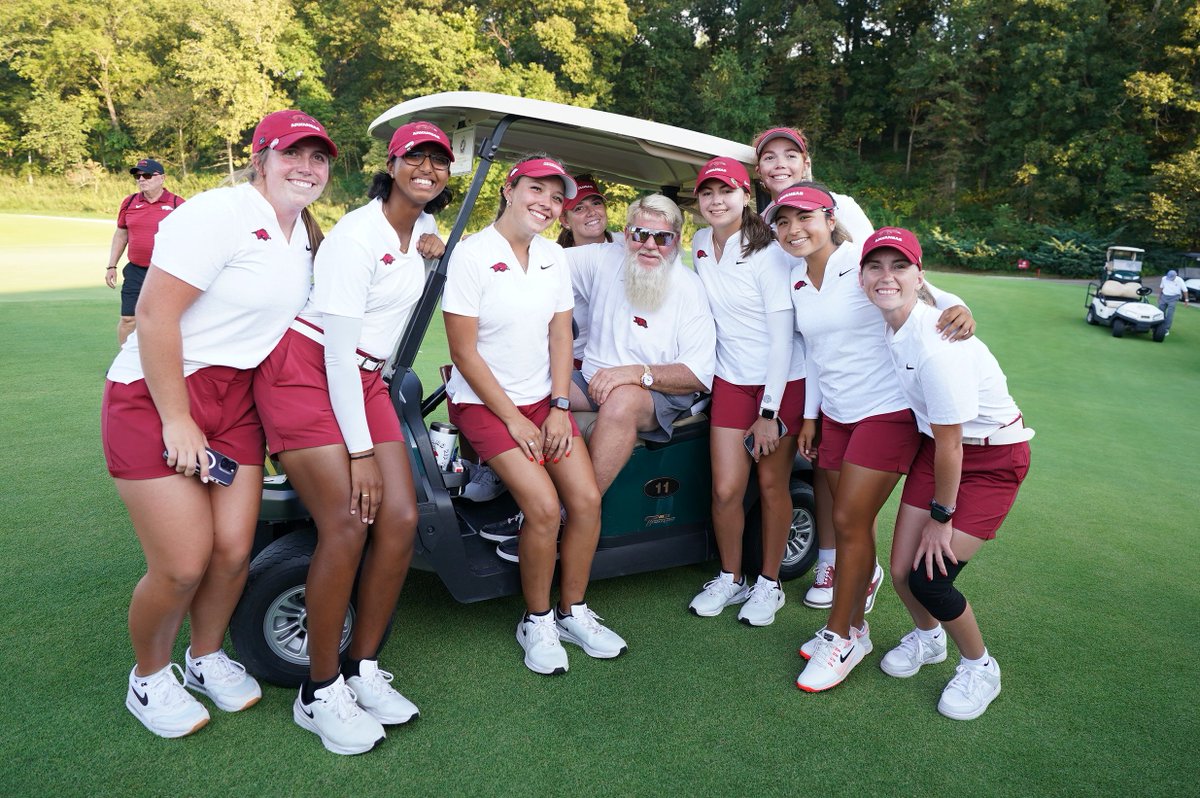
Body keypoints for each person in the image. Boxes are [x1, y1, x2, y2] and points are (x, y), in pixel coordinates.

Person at [101, 110, 336, 738]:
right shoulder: (218, 213)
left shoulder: (304, 233)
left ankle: (204, 658)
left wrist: (422, 236)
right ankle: (148, 678)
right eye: (293, 154)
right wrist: (176, 420)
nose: (306, 168)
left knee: (233, 553)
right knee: (182, 563)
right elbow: (153, 317)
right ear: (261, 158)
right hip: (157, 392)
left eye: (318, 159)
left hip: (237, 400)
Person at [253, 121, 450, 754]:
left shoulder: (418, 229)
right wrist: (360, 452)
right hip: (308, 372)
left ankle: (361, 668)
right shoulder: (355, 236)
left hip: (365, 381)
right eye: (415, 157)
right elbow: (338, 353)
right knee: (346, 521)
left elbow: (421, 252)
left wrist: (430, 244)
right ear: (390, 165)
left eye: (438, 161)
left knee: (400, 516)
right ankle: (319, 690)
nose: (427, 168)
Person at [765, 184, 973, 692]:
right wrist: (811, 416)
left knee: (846, 521)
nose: (794, 229)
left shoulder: (859, 257)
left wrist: (958, 302)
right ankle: (854, 620)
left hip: (886, 411)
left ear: (830, 218)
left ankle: (842, 635)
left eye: (805, 217)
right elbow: (814, 353)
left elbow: (913, 283)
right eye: (783, 221)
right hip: (835, 414)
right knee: (850, 526)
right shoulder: (794, 278)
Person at [442, 154, 626, 676]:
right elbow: (464, 353)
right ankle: (537, 618)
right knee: (544, 508)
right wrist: (517, 420)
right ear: (509, 188)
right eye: (535, 190)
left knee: (586, 500)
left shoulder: (553, 257)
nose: (545, 203)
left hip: (545, 402)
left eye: (554, 196)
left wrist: (558, 406)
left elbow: (560, 334)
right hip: (484, 403)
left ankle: (573, 610)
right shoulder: (473, 256)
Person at [860, 227, 1033, 720]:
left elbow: (954, 443)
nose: (886, 276)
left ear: (920, 278)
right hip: (940, 453)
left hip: (991, 460)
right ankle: (928, 638)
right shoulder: (894, 323)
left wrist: (942, 516)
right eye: (876, 266)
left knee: (930, 579)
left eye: (899, 267)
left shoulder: (938, 345)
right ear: (862, 277)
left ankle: (980, 667)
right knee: (899, 572)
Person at [751, 127, 872, 611]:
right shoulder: (764, 223)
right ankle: (832, 559)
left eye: (790, 155)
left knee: (841, 474)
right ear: (758, 171)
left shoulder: (837, 206)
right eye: (769, 158)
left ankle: (844, 562)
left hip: (849, 364)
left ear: (807, 163)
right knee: (823, 463)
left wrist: (951, 302)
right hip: (806, 361)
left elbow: (885, 269)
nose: (779, 164)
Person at [686, 157, 802, 626]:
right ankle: (731, 577)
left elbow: (782, 337)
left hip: (781, 382)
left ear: (745, 196)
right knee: (726, 489)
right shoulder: (696, 244)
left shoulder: (769, 251)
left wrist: (770, 412)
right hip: (731, 379)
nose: (717, 200)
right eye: (708, 192)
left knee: (772, 485)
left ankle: (768, 584)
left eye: (727, 191)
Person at [466, 174, 615, 506]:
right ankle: (493, 464)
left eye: (596, 203)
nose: (590, 212)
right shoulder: (559, 253)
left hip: (593, 365)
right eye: (579, 207)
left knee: (542, 401)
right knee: (461, 377)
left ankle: (544, 497)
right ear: (565, 218)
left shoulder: (623, 249)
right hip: (566, 362)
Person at [105, 158, 185, 345]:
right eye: (137, 176)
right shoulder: (129, 202)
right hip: (135, 270)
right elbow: (121, 234)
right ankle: (124, 368)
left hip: (166, 271)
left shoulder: (177, 204)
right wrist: (111, 265)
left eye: (147, 175)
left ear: (162, 178)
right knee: (128, 319)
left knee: (165, 320)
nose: (141, 179)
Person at [1158, 269, 1189, 335]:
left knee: (1170, 313)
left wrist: (1186, 300)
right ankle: (1159, 326)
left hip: (1174, 297)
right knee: (1160, 311)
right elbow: (1161, 287)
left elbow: (1185, 290)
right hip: (1164, 296)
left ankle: (1166, 329)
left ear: (1175, 276)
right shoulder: (1164, 278)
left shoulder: (1180, 280)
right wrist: (1159, 297)